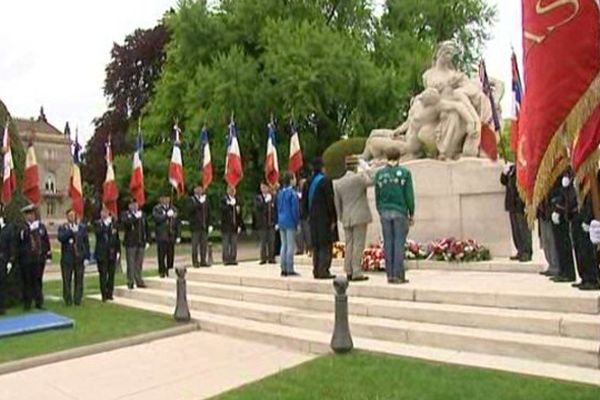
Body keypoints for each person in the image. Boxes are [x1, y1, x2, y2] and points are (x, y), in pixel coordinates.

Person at [374, 147, 415, 284]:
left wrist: (379, 209)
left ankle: (389, 274)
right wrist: (411, 211)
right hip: (399, 210)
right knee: (398, 242)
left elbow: (377, 195)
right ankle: (398, 274)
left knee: (388, 243)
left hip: (384, 211)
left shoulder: (379, 174)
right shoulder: (404, 173)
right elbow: (408, 194)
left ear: (386, 157)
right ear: (399, 157)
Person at [334, 156, 373, 282]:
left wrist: (341, 216)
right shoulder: (359, 179)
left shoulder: (338, 182)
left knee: (349, 244)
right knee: (358, 244)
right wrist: (366, 168)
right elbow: (372, 180)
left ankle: (348, 270)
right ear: (356, 166)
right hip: (359, 215)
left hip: (347, 216)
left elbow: (337, 203)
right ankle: (356, 271)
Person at [303, 158, 337, 279]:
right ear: (323, 167)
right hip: (324, 218)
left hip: (312, 218)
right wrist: (333, 217)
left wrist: (306, 215)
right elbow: (329, 201)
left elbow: (304, 202)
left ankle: (316, 269)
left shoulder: (308, 182)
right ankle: (323, 270)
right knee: (325, 245)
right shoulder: (325, 181)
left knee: (316, 245)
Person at [18, 204, 51, 310]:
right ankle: (27, 303)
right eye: (28, 215)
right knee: (27, 281)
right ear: (25, 216)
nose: (30, 217)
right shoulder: (22, 227)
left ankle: (39, 302)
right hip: (26, 259)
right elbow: (22, 238)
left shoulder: (40, 226)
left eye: (32, 214)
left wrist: (48, 255)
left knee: (38, 280)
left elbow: (45, 241)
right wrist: (30, 229)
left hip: (38, 258)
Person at [57, 209, 90, 306]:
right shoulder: (63, 227)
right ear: (67, 217)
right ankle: (68, 299)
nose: (71, 217)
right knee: (67, 280)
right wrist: (70, 232)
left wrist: (87, 257)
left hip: (79, 258)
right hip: (67, 258)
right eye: (69, 215)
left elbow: (86, 242)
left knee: (79, 279)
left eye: (73, 215)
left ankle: (77, 299)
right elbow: (61, 238)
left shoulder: (81, 228)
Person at [549, 172, 577, 283]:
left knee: (564, 243)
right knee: (559, 243)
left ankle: (568, 273)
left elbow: (564, 193)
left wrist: (558, 209)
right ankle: (563, 270)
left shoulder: (564, 171)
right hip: (556, 208)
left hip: (564, 211)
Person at [500, 163, 532, 262]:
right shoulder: (511, 169)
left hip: (520, 205)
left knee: (523, 230)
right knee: (516, 230)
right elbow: (503, 182)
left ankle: (527, 252)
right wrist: (504, 173)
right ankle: (520, 250)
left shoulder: (523, 168)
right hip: (511, 204)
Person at [94, 207, 121, 301]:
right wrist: (105, 225)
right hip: (102, 253)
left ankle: (110, 293)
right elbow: (98, 233)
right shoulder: (98, 223)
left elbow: (116, 239)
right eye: (103, 212)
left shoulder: (113, 224)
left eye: (106, 212)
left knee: (111, 274)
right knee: (103, 274)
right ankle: (104, 294)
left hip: (112, 253)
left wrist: (118, 251)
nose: (104, 214)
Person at [121, 199, 148, 289]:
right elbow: (126, 224)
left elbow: (146, 227)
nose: (135, 206)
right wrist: (135, 217)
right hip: (131, 243)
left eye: (136, 204)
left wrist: (147, 240)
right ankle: (130, 281)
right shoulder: (126, 214)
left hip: (141, 242)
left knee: (139, 263)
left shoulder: (142, 214)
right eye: (133, 204)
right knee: (131, 263)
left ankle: (139, 279)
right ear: (129, 206)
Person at [277, 172, 300, 277]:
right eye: (294, 178)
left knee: (284, 245)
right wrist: (296, 221)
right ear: (291, 180)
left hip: (281, 220)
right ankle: (290, 268)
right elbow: (295, 209)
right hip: (290, 220)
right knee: (290, 246)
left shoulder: (280, 193)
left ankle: (283, 268)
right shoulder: (292, 194)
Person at [153, 196, 181, 278]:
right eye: (164, 198)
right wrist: (166, 216)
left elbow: (178, 223)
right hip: (162, 236)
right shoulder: (157, 209)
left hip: (171, 235)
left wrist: (178, 235)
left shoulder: (173, 209)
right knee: (161, 255)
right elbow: (157, 219)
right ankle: (162, 271)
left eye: (167, 198)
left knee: (170, 255)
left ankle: (170, 270)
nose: (166, 200)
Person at [189, 186, 212, 268]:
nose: (199, 190)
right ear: (194, 190)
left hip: (204, 226)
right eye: (197, 189)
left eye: (201, 189)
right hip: (195, 227)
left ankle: (203, 260)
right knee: (195, 245)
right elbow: (190, 210)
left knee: (203, 245)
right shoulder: (191, 200)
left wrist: (209, 224)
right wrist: (199, 203)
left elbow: (208, 212)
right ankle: (195, 261)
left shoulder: (205, 200)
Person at [255, 182, 277, 264]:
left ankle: (271, 257)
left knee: (271, 241)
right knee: (263, 242)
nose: (263, 189)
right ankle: (263, 258)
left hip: (271, 223)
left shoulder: (272, 197)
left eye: (265, 187)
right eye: (262, 187)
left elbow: (275, 210)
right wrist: (265, 202)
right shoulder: (259, 198)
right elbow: (258, 208)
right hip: (262, 224)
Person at [538, 195, 560, 277]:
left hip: (549, 210)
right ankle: (550, 264)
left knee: (551, 240)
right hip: (542, 211)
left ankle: (555, 266)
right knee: (545, 240)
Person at [221, 185, 244, 265]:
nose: (232, 191)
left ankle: (233, 259)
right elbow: (222, 211)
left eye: (233, 189)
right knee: (226, 244)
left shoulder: (237, 200)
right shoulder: (224, 200)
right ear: (227, 190)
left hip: (235, 225)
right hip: (226, 226)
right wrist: (229, 205)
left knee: (234, 243)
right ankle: (226, 259)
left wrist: (240, 225)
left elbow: (239, 214)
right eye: (230, 189)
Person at [0, 213, 16, 315]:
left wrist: (10, 260)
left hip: (2, 260)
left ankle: (2, 307)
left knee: (2, 284)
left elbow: (11, 245)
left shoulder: (7, 229)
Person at [295, 177, 310, 255]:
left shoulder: (307, 193)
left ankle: (309, 248)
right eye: (301, 184)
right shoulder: (295, 194)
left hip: (305, 216)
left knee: (307, 233)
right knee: (298, 234)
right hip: (298, 217)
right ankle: (300, 249)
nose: (302, 185)